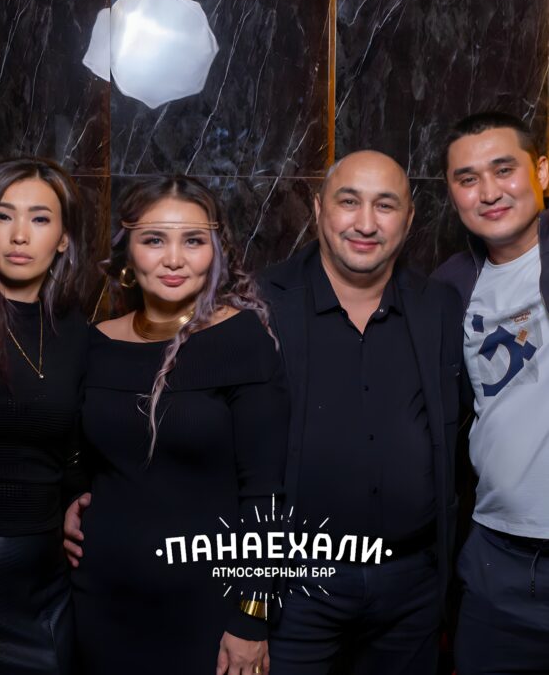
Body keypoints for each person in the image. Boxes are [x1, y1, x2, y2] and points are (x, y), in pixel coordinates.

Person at [64, 176, 289, 675]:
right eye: (153, 240)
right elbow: (75, 446)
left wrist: (252, 617)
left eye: (192, 241)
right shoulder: (96, 342)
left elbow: (265, 495)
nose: (173, 259)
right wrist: (69, 498)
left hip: (206, 608)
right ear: (128, 251)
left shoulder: (244, 339)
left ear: (216, 252)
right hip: (102, 598)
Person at [259, 151, 463, 675]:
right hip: (296, 584)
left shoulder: (440, 305)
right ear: (318, 207)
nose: (366, 224)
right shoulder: (261, 303)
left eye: (385, 206)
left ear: (409, 219)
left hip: (413, 586)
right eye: (349, 202)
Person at [434, 112, 549, 675]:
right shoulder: (449, 288)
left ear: (541, 171)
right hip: (498, 562)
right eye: (467, 178)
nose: (488, 192)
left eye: (504, 170)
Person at [0, 158, 88, 675]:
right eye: (3, 215)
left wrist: (80, 500)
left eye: (38, 218)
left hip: (45, 577)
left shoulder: (74, 331)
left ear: (62, 239)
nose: (18, 235)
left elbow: (76, 444)